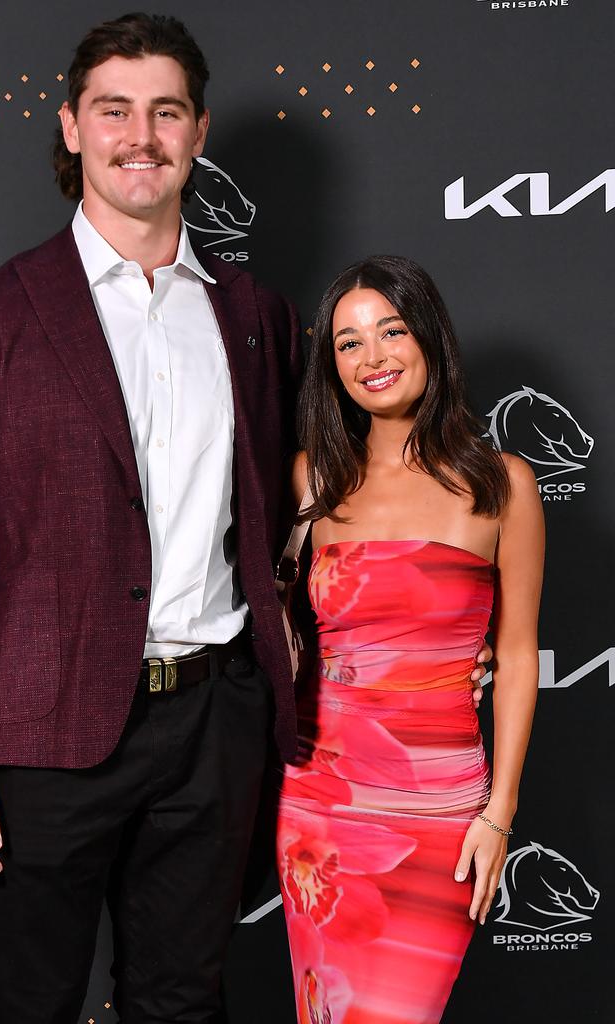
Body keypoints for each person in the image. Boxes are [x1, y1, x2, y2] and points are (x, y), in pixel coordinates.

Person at [0, 13, 306, 1024]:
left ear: (199, 132)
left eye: (166, 111)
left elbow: (296, 511)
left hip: (214, 723)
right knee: (29, 1001)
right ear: (72, 128)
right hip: (40, 733)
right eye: (115, 110)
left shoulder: (253, 316)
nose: (142, 135)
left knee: (182, 999)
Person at [277, 256, 543, 1024]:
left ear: (428, 337)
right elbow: (272, 623)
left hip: (441, 810)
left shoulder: (502, 483)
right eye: (348, 343)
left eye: (390, 331)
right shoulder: (310, 480)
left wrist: (499, 814)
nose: (373, 358)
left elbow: (519, 653)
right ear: (331, 367)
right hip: (320, 805)